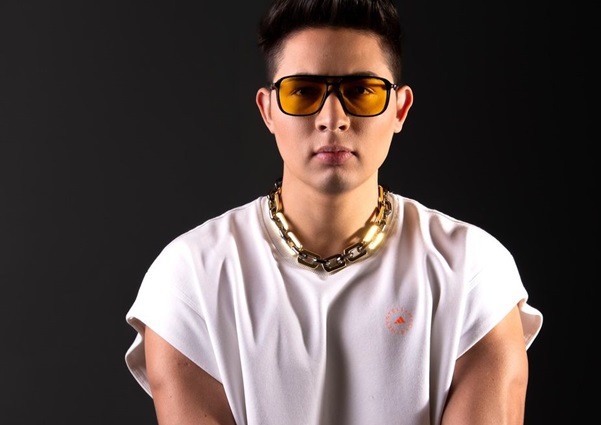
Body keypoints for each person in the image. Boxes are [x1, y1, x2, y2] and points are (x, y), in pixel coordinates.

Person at [124, 0, 543, 423]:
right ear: (268, 111)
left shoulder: (473, 273)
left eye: (361, 91)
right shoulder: (190, 280)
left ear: (400, 109)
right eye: (303, 92)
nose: (333, 118)